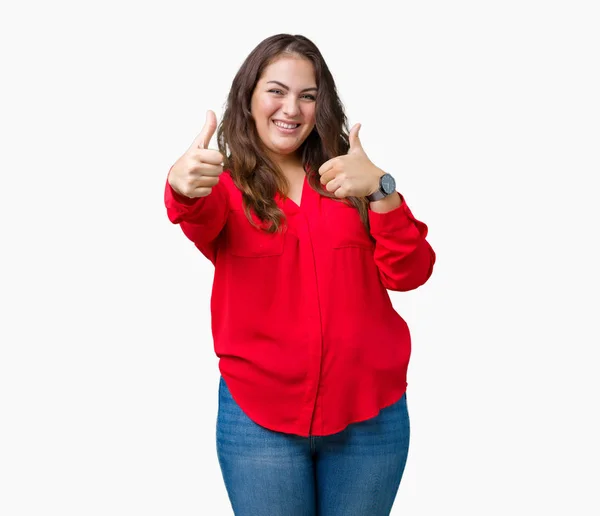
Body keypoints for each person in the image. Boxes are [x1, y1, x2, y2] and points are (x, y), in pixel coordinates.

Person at [164, 33, 435, 516]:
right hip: (259, 420)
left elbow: (411, 272)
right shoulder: (224, 188)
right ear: (248, 97)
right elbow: (193, 209)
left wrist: (381, 189)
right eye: (276, 90)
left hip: (370, 416)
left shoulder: (350, 179)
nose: (291, 108)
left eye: (307, 96)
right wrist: (181, 184)